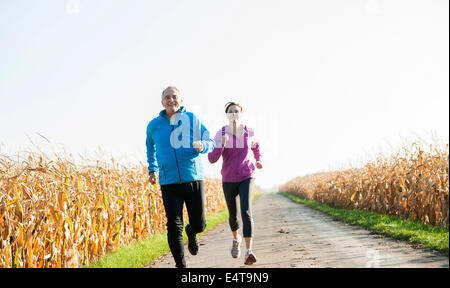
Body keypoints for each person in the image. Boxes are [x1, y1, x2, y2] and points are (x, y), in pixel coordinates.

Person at [146, 86, 215, 268]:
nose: (171, 100)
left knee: (199, 225)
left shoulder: (192, 119)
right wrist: (152, 169)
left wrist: (203, 146)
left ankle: (191, 232)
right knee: (173, 226)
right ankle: (181, 266)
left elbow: (212, 142)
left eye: (174, 97)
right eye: (167, 98)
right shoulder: (153, 126)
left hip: (193, 178)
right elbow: (150, 148)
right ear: (162, 102)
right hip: (169, 182)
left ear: (181, 100)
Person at [208, 102, 262, 265]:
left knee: (246, 211)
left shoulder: (248, 132)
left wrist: (258, 160)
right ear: (226, 115)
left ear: (241, 113)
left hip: (247, 175)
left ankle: (248, 252)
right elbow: (212, 159)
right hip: (229, 178)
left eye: (236, 111)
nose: (233, 114)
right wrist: (221, 145)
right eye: (230, 112)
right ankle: (235, 239)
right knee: (233, 215)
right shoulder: (221, 133)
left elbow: (256, 146)